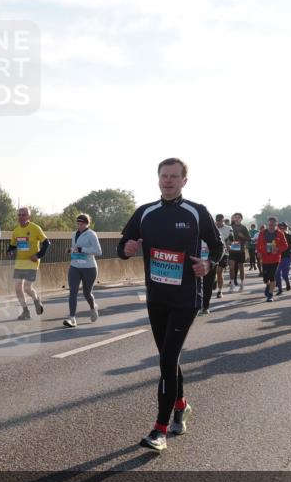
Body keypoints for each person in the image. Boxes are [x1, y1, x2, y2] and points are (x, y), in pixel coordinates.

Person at [118, 157, 223, 452]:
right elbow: (123, 245)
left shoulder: (196, 212)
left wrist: (208, 264)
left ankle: (160, 430)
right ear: (158, 179)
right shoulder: (145, 213)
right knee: (169, 358)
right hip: (156, 297)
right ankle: (181, 405)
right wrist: (126, 249)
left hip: (185, 298)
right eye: (164, 176)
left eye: (174, 176)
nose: (168, 181)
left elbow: (218, 247)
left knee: (166, 360)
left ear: (183, 181)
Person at [8, 208, 50, 321]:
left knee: (27, 288)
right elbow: (12, 246)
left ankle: (36, 299)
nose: (21, 217)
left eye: (24, 215)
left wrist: (38, 255)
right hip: (20, 262)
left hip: (32, 262)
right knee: (17, 287)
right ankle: (25, 311)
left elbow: (47, 243)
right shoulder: (16, 230)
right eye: (19, 215)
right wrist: (10, 252)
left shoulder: (35, 228)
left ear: (28, 217)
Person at [64, 213, 102, 327]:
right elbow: (76, 249)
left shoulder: (91, 234)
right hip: (75, 266)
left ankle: (93, 307)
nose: (79, 226)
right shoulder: (73, 234)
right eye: (78, 223)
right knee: (73, 292)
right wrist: (70, 250)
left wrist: (82, 249)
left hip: (89, 268)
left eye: (82, 224)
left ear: (87, 224)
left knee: (87, 293)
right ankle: (72, 319)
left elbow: (98, 251)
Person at [255, 217, 288, 302]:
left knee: (272, 276)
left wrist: (278, 249)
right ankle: (268, 285)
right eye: (270, 224)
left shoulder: (280, 233)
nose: (271, 225)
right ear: (268, 223)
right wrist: (258, 252)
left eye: (273, 224)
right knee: (265, 279)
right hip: (265, 258)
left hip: (275, 258)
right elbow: (258, 244)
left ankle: (270, 294)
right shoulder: (262, 233)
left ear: (276, 224)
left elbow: (285, 245)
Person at [227, 213, 250, 291]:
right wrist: (228, 244)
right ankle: (232, 284)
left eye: (238, 217)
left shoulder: (243, 227)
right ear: (234, 218)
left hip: (241, 250)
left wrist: (242, 236)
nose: (237, 219)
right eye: (235, 217)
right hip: (232, 250)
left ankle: (242, 284)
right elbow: (227, 238)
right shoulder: (230, 227)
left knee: (241, 268)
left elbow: (249, 239)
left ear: (241, 219)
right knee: (231, 268)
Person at [273, 221, 291, 296]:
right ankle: (280, 289)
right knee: (277, 274)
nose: (282, 229)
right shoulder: (274, 236)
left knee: (284, 274)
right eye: (280, 228)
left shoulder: (289, 236)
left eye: (284, 228)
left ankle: (287, 281)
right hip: (276, 257)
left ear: (286, 228)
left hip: (286, 257)